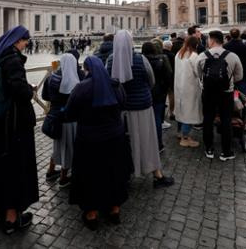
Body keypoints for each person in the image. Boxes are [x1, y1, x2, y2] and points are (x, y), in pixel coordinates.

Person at [64, 56, 133, 230]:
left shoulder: (81, 88)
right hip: (115, 138)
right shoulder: (116, 86)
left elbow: (70, 113)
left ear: (87, 70)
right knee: (114, 172)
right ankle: (114, 210)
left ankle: (92, 213)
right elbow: (124, 104)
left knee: (90, 175)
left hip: (89, 140)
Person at [106, 30, 174, 188]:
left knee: (123, 142)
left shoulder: (110, 60)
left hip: (121, 109)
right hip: (142, 106)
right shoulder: (140, 59)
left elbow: (109, 82)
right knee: (147, 140)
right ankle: (157, 175)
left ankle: (125, 173)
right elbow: (151, 81)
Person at [0, 26, 39, 234]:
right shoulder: (13, 59)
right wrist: (30, 89)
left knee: (2, 164)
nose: (26, 44)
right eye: (25, 41)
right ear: (18, 40)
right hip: (15, 124)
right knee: (16, 166)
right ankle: (11, 218)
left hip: (1, 121)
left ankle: (0, 209)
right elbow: (18, 88)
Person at [196, 31, 243, 161]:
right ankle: (226, 151)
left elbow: (198, 75)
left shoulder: (201, 56)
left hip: (208, 92)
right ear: (222, 40)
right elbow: (239, 76)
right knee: (226, 120)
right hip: (226, 93)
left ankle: (209, 148)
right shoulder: (232, 56)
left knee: (208, 119)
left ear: (211, 40)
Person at [42, 53, 81, 187]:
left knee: (58, 145)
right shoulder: (75, 81)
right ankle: (64, 177)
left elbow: (45, 96)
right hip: (70, 120)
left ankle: (51, 171)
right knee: (69, 147)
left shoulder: (51, 78)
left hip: (55, 118)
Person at [141, 41, 172, 152]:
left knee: (144, 120)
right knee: (157, 119)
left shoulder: (140, 61)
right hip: (159, 93)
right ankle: (158, 144)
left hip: (145, 94)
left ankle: (145, 145)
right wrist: (164, 89)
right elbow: (168, 75)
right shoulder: (162, 59)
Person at [173, 36, 202, 148]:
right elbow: (198, 72)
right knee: (189, 112)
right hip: (190, 87)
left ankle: (180, 132)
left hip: (180, 86)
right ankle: (185, 138)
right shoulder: (194, 56)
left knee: (181, 110)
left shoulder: (179, 54)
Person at [224, 28, 246, 98]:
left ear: (230, 35)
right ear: (239, 35)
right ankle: (244, 107)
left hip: (230, 70)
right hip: (243, 71)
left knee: (230, 91)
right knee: (243, 92)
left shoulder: (225, 46)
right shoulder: (245, 46)